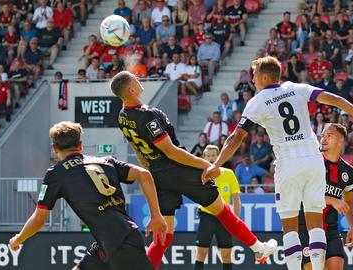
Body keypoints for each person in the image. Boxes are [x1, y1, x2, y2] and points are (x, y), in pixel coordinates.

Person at [202, 56, 353, 270]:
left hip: (288, 163)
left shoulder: (256, 102)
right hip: (313, 160)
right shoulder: (296, 87)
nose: (253, 80)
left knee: (290, 227)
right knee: (315, 224)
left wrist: (216, 164)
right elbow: (335, 100)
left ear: (265, 77)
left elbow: (236, 137)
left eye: (255, 75)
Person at [110, 71, 277, 270]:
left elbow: (139, 151)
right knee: (223, 212)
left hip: (158, 175)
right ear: (132, 89)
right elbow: (171, 152)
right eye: (135, 79)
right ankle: (259, 248)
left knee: (164, 236)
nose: (139, 79)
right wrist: (207, 165)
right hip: (177, 170)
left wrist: (152, 171)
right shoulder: (147, 116)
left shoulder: (123, 116)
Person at [8, 121, 167, 270]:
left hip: (120, 243)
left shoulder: (57, 173)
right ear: (80, 145)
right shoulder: (106, 161)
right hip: (112, 241)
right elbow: (144, 174)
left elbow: (39, 219)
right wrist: (156, 216)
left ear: (55, 149)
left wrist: (19, 239)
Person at [299, 123, 353, 270]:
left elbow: (349, 200)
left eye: (329, 136)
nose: (323, 139)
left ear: (341, 140)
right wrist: (331, 200)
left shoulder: (348, 172)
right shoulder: (311, 162)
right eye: (323, 135)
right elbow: (302, 195)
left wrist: (352, 228)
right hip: (306, 226)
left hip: (331, 229)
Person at [194, 145, 241, 270]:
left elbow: (236, 199)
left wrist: (236, 220)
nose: (210, 159)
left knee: (226, 256)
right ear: (203, 157)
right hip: (206, 216)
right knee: (200, 254)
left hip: (225, 217)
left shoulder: (229, 174)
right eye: (208, 156)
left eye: (213, 156)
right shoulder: (199, 175)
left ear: (218, 157)